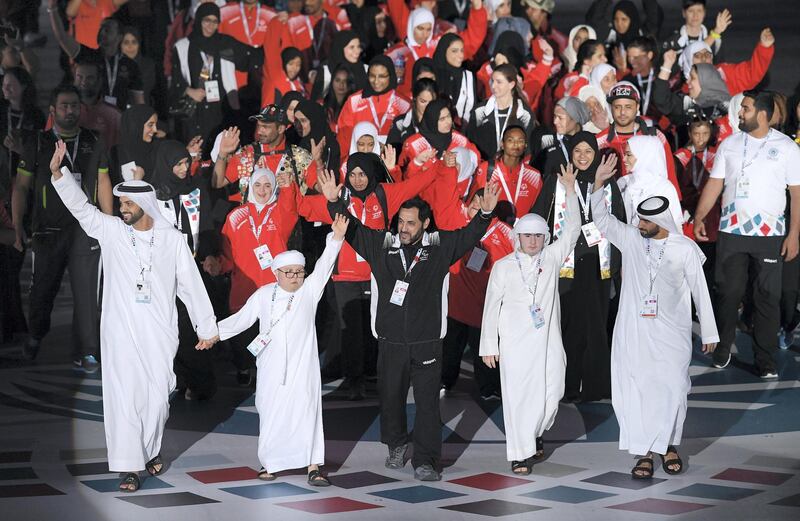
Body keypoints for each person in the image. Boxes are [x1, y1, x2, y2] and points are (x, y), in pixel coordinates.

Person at [50, 140, 218, 491]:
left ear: (144, 204)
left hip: (159, 331)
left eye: (127, 203)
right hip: (120, 332)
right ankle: (129, 467)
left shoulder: (171, 239)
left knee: (158, 396)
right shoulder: (112, 232)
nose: (121, 208)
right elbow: (83, 210)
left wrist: (206, 326)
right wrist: (59, 174)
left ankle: (151, 449)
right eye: (121, 202)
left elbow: (190, 285)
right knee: (124, 397)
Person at [316, 167, 501, 481]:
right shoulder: (383, 244)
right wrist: (335, 203)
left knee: (428, 404)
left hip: (427, 339)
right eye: (400, 221)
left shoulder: (439, 246)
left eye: (410, 223)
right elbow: (353, 229)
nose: (403, 228)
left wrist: (485, 214)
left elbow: (469, 235)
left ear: (425, 224)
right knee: (390, 397)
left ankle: (426, 460)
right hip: (390, 339)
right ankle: (396, 443)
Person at [589, 182, 718, 479]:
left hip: (673, 333)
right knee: (638, 390)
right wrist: (597, 186)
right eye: (639, 218)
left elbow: (701, 290)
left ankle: (670, 445)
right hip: (633, 331)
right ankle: (644, 452)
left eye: (645, 220)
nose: (638, 223)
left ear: (660, 221)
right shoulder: (633, 239)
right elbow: (603, 220)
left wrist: (709, 333)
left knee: (674, 388)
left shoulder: (684, 248)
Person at [299, 152, 443, 400]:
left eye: (362, 174)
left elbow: (416, 185)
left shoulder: (385, 195)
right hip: (344, 275)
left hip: (379, 274)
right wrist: (290, 181)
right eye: (352, 175)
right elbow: (303, 207)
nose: (357, 180)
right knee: (351, 331)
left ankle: (377, 377)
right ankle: (355, 381)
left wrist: (441, 164)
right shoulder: (338, 198)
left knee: (379, 329)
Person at [218, 213, 348, 487]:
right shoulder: (264, 294)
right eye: (288, 273)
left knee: (307, 411)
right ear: (277, 273)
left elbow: (324, 266)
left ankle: (313, 465)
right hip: (271, 367)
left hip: (303, 368)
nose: (293, 277)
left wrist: (336, 238)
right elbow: (241, 320)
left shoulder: (309, 291)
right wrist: (213, 334)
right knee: (270, 410)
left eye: (298, 272)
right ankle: (271, 462)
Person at [480, 161, 581, 475]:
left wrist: (568, 190)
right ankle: (520, 453)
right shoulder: (504, 267)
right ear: (518, 238)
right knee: (518, 398)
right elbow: (490, 308)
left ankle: (534, 433)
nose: (533, 241)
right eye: (527, 236)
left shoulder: (550, 258)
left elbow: (573, 230)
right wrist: (488, 346)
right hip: (514, 344)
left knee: (554, 391)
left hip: (548, 342)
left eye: (539, 236)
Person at [693, 91, 800, 378]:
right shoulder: (729, 145)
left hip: (770, 235)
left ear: (762, 115)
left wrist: (794, 234)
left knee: (767, 297)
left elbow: (797, 194)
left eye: (746, 109)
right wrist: (701, 216)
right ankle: (723, 345)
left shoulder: (788, 148)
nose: (740, 113)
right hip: (731, 231)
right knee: (728, 292)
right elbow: (715, 185)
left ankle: (765, 358)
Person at [12, 85, 112, 370]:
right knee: (42, 292)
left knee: (87, 293)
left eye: (75, 106)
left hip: (86, 230)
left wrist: (108, 224)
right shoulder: (38, 142)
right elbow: (21, 186)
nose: (71, 111)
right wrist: (18, 225)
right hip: (48, 231)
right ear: (53, 110)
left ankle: (88, 349)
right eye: (65, 106)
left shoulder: (95, 140)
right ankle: (35, 335)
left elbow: (103, 182)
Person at [532, 132, 625, 403]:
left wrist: (618, 268)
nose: (583, 156)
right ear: (570, 154)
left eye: (588, 151)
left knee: (596, 325)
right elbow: (539, 218)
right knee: (568, 325)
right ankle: (568, 385)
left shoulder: (608, 183)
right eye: (577, 152)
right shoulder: (557, 181)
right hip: (565, 267)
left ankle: (596, 386)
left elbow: (619, 222)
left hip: (598, 266)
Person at [170, 2, 244, 146]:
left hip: (220, 110)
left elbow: (249, 58)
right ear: (198, 20)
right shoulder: (183, 46)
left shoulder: (224, 45)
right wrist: (189, 90)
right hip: (194, 111)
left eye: (215, 21)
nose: (211, 26)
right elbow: (175, 79)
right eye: (206, 20)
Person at [48, 2, 145, 110]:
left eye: (107, 29)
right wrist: (52, 8)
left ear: (119, 37)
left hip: (117, 121)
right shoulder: (88, 56)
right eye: (101, 28)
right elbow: (62, 37)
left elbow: (138, 103)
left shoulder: (130, 65)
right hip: (89, 119)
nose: (102, 32)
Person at [596, 81, 681, 194]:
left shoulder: (655, 136)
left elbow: (670, 175)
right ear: (611, 108)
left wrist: (675, 204)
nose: (622, 112)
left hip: (650, 203)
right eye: (617, 107)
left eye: (628, 107)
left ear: (637, 107)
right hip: (613, 205)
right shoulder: (599, 141)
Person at [336, 55, 411, 159]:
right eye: (372, 76)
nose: (376, 81)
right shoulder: (355, 100)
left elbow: (408, 138)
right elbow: (343, 134)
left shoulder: (404, 104)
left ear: (391, 75)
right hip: (360, 159)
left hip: (393, 159)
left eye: (382, 76)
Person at [467, 63, 535, 160]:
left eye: (499, 82)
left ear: (511, 84)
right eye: (492, 81)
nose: (493, 86)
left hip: (512, 170)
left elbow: (527, 149)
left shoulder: (524, 114)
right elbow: (471, 143)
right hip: (485, 168)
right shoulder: (480, 111)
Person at [619, 135, 683, 232]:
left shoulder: (664, 188)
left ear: (644, 155)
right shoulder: (622, 182)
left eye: (629, 154)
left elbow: (675, 227)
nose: (624, 159)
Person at [479, 125, 542, 220]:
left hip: (522, 232)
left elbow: (538, 210)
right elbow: (473, 203)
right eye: (510, 140)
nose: (515, 144)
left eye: (520, 141)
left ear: (525, 145)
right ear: (502, 144)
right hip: (492, 231)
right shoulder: (487, 169)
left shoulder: (534, 176)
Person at [533, 96, 591, 178]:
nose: (555, 122)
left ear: (575, 119)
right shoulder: (547, 141)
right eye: (555, 116)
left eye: (560, 118)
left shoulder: (590, 142)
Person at [71, 57, 121, 150]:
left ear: (99, 81)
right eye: (79, 77)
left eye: (90, 78)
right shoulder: (61, 111)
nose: (83, 82)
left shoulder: (114, 115)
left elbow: (122, 153)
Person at [309, 30, 368, 103]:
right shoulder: (326, 72)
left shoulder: (365, 69)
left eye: (358, 46)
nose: (357, 51)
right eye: (352, 47)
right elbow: (314, 103)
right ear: (340, 47)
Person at [431, 33, 478, 125]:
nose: (461, 55)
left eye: (462, 51)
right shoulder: (432, 75)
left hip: (462, 134)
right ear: (444, 51)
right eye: (454, 51)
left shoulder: (468, 76)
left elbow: (473, 110)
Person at [110, 104, 160, 184]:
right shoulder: (115, 154)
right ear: (136, 125)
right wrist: (137, 181)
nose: (155, 130)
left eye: (155, 125)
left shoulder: (156, 149)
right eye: (150, 125)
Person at [386, 77, 437, 151]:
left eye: (432, 102)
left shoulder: (442, 121)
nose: (428, 106)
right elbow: (390, 152)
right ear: (414, 99)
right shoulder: (400, 123)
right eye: (423, 101)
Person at [665, 1, 731, 56]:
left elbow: (720, 68)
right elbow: (688, 59)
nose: (695, 15)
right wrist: (716, 32)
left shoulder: (716, 41)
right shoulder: (672, 40)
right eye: (691, 11)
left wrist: (715, 33)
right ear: (684, 13)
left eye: (699, 11)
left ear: (704, 13)